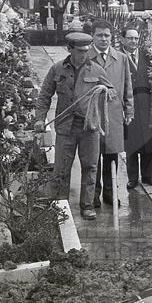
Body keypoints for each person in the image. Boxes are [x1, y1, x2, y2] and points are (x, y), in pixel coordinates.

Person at [35, 32, 115, 220]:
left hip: (90, 127)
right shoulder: (57, 69)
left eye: (86, 51)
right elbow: (44, 95)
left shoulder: (96, 70)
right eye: (80, 51)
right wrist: (40, 119)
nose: (83, 54)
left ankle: (87, 206)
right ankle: (60, 205)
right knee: (61, 168)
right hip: (65, 127)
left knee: (90, 166)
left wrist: (106, 91)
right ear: (69, 49)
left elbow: (112, 92)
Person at [87, 19, 134, 208]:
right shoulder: (86, 57)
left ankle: (110, 192)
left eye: (107, 35)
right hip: (92, 113)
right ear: (92, 36)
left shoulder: (121, 58)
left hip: (113, 114)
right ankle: (93, 194)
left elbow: (127, 86)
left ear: (111, 37)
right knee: (93, 156)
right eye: (99, 35)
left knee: (111, 155)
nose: (103, 39)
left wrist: (129, 110)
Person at [121, 27, 152, 190]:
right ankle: (133, 177)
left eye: (136, 38)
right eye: (130, 38)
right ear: (123, 40)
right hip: (129, 105)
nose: (133, 41)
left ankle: (147, 175)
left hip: (148, 104)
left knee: (149, 141)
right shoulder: (119, 57)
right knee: (131, 142)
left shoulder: (147, 56)